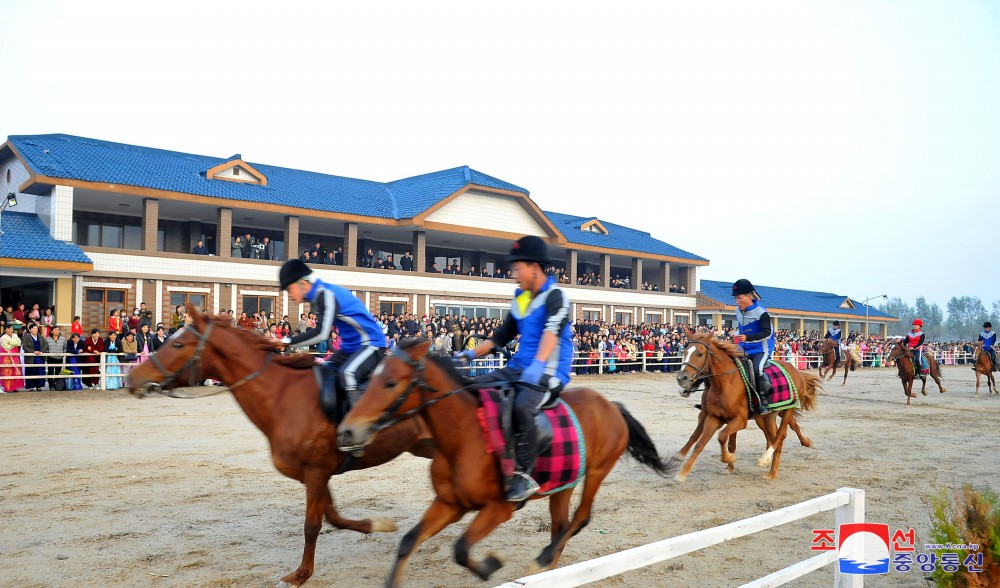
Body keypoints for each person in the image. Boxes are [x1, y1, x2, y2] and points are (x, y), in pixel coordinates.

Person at [455, 236, 573, 502]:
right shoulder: (520, 296)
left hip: (549, 371)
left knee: (522, 406)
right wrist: (469, 355)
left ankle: (524, 475)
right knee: (472, 389)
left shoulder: (557, 296)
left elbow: (551, 333)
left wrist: (539, 365)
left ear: (534, 267)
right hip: (519, 367)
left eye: (516, 268)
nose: (513, 275)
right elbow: (502, 335)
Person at [278, 259, 387, 420]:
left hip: (372, 344)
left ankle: (361, 424)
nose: (290, 295)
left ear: (302, 283)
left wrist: (287, 342)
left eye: (289, 289)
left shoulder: (326, 294)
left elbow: (321, 334)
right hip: (351, 348)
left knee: (347, 373)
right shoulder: (318, 295)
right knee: (324, 371)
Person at [731, 279, 774, 415]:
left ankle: (764, 401)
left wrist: (748, 338)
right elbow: (742, 329)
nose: (737, 301)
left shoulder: (762, 313)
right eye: (735, 298)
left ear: (749, 296)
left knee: (757, 370)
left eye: (739, 297)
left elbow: (768, 333)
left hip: (761, 349)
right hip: (743, 347)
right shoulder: (737, 310)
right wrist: (737, 334)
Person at [1, 323, 25, 392]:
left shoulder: (15, 335)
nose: (10, 330)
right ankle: (8, 388)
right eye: (8, 329)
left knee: (15, 371)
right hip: (6, 357)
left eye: (11, 329)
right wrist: (14, 344)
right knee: (7, 371)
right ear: (5, 330)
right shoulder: (3, 337)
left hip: (15, 355)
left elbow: (19, 343)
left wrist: (10, 342)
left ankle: (14, 387)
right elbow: (6, 347)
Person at [45, 325, 67, 390]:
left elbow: (65, 347)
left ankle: (57, 385)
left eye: (58, 330)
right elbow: (46, 348)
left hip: (59, 358)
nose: (57, 331)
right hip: (51, 358)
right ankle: (51, 385)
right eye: (55, 330)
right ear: (52, 331)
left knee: (58, 372)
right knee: (50, 372)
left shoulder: (63, 339)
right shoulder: (47, 339)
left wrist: (63, 353)